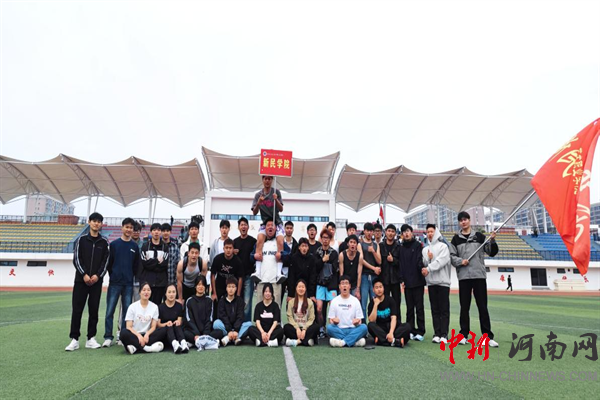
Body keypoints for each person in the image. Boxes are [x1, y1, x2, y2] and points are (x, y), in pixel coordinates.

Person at [450, 211, 499, 347]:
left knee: (482, 306)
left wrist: (492, 240)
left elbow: (492, 252)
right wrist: (461, 261)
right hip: (464, 277)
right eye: (461, 220)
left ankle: (487, 336)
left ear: (469, 220)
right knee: (464, 307)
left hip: (479, 276)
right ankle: (463, 334)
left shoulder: (480, 237)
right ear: (459, 223)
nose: (463, 222)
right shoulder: (456, 239)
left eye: (465, 219)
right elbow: (452, 257)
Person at [66, 212, 110, 351]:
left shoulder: (104, 242)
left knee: (94, 310)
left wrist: (98, 275)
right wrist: (84, 274)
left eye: (99, 221)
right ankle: (74, 339)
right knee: (77, 310)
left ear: (101, 224)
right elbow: (76, 259)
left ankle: (91, 338)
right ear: (89, 222)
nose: (96, 223)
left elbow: (105, 262)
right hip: (81, 281)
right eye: (94, 221)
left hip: (96, 282)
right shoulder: (82, 240)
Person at [102, 217, 140, 348]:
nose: (129, 230)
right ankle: (108, 337)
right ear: (122, 228)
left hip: (128, 284)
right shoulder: (114, 245)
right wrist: (114, 275)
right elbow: (109, 264)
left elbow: (136, 266)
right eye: (127, 227)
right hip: (115, 283)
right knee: (110, 311)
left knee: (126, 313)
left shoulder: (134, 246)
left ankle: (122, 336)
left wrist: (129, 276)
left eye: (131, 228)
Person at [421, 224, 451, 344]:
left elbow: (441, 262)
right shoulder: (425, 249)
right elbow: (424, 264)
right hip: (431, 283)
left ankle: (444, 334)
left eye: (431, 231)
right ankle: (437, 333)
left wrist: (429, 267)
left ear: (436, 232)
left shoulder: (443, 247)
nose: (430, 234)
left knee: (444, 310)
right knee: (435, 310)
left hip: (443, 283)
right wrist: (429, 259)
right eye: (428, 232)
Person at [250, 219, 290, 308]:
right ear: (265, 229)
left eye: (272, 225)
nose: (270, 227)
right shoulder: (259, 243)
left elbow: (289, 257)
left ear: (276, 228)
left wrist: (282, 255)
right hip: (261, 281)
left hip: (275, 282)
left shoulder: (280, 242)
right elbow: (251, 258)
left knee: (276, 308)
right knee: (260, 309)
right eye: (268, 225)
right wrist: (254, 256)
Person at [251, 176, 285, 281]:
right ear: (262, 180)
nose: (267, 181)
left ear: (272, 180)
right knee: (259, 240)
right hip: (265, 223)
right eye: (265, 179)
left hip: (276, 222)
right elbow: (254, 212)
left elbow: (281, 209)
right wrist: (259, 202)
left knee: (280, 242)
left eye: (269, 179)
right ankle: (258, 272)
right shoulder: (258, 195)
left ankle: (279, 273)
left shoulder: (276, 192)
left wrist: (276, 200)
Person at [120, 282, 166, 354]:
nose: (146, 292)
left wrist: (147, 334)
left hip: (148, 336)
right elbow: (128, 327)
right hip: (135, 335)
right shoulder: (132, 307)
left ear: (151, 292)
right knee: (123, 333)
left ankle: (135, 347)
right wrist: (138, 336)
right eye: (144, 290)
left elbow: (153, 326)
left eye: (148, 290)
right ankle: (147, 348)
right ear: (140, 292)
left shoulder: (154, 307)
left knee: (163, 330)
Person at [399, 224, 426, 341]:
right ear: (402, 234)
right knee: (409, 308)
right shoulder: (401, 247)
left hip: (418, 281)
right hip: (407, 283)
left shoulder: (418, 245)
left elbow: (420, 260)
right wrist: (401, 279)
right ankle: (410, 330)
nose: (406, 233)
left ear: (412, 232)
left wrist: (422, 269)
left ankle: (420, 331)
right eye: (404, 232)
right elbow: (401, 265)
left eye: (408, 231)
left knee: (419, 308)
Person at [183, 275, 224, 351]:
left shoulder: (209, 300)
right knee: (184, 333)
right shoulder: (189, 300)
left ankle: (197, 342)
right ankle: (206, 342)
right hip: (194, 332)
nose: (200, 287)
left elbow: (210, 318)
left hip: (206, 332)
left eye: (202, 285)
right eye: (198, 285)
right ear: (195, 286)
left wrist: (205, 333)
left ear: (205, 287)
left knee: (220, 332)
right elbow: (189, 320)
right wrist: (196, 334)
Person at [367, 278, 410, 347]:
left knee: (407, 326)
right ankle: (395, 341)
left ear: (383, 288)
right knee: (370, 325)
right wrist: (375, 305)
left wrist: (391, 332)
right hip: (381, 328)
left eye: (380, 287)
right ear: (373, 290)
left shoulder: (390, 300)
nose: (379, 289)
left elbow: (394, 318)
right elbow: (372, 320)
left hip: (392, 326)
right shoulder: (372, 303)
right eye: (376, 288)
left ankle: (382, 341)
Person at [327, 275, 368, 347]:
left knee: (364, 327)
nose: (344, 286)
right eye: (342, 283)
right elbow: (330, 320)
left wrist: (357, 322)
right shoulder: (334, 301)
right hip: (339, 329)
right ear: (339, 286)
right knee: (329, 328)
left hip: (352, 329)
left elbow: (360, 320)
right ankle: (354, 341)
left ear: (350, 286)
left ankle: (342, 342)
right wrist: (334, 321)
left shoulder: (355, 300)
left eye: (346, 283)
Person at [213, 276, 253, 346]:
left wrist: (236, 330)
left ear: (236, 288)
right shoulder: (222, 301)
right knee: (216, 323)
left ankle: (229, 338)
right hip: (226, 327)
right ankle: (234, 337)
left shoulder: (239, 301)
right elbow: (222, 316)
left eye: (233, 287)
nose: (231, 289)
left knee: (249, 324)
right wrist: (229, 331)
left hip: (237, 328)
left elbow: (240, 316)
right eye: (229, 287)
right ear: (226, 288)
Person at [315, 230, 339, 338]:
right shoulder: (317, 252)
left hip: (331, 285)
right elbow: (316, 267)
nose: (325, 240)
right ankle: (321, 328)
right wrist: (323, 260)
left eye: (327, 238)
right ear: (321, 239)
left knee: (333, 307)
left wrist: (326, 262)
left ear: (330, 239)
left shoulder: (333, 253)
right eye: (323, 237)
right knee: (319, 308)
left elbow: (334, 269)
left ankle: (333, 329)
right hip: (320, 284)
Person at [233, 217, 257, 321]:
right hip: (236, 277)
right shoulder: (234, 242)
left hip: (248, 276)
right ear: (238, 227)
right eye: (241, 225)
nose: (243, 227)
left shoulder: (253, 241)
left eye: (245, 225)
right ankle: (237, 323)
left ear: (248, 227)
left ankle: (246, 325)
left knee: (247, 302)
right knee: (237, 300)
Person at [357, 222, 381, 321]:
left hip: (374, 277)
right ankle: (363, 324)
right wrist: (373, 268)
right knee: (363, 303)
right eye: (368, 231)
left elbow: (379, 261)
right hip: (364, 276)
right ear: (364, 231)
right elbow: (361, 260)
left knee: (374, 301)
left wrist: (373, 251)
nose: (369, 233)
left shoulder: (376, 245)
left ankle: (374, 324)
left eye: (371, 231)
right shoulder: (360, 245)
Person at [140, 223, 169, 305]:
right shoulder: (145, 246)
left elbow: (164, 265)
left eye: (158, 230)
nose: (156, 232)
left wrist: (151, 262)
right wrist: (157, 261)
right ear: (151, 232)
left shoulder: (165, 247)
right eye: (154, 230)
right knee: (146, 305)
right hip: (147, 282)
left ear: (161, 232)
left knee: (157, 306)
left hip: (160, 283)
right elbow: (145, 264)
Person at [284, 280, 319, 347]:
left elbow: (311, 318)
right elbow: (290, 317)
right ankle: (307, 341)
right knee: (286, 327)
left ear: (305, 289)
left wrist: (304, 329)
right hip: (295, 328)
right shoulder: (291, 302)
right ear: (296, 288)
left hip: (306, 328)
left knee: (316, 327)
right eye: (299, 287)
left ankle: (297, 341)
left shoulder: (310, 302)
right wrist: (297, 328)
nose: (301, 289)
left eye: (303, 287)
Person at [158, 284, 189, 353]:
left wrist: (177, 322)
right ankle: (175, 345)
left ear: (176, 293)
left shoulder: (179, 306)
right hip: (166, 335)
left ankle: (183, 343)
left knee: (176, 325)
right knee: (169, 326)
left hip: (177, 332)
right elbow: (158, 324)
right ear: (165, 294)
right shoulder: (160, 307)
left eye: (173, 292)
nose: (171, 294)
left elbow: (179, 321)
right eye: (169, 292)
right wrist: (166, 324)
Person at [379, 224, 401, 319]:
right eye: (389, 231)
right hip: (384, 280)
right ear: (385, 232)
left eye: (393, 231)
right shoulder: (380, 246)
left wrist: (393, 260)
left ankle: (397, 323)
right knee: (384, 304)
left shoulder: (399, 246)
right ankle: (385, 324)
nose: (390, 233)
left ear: (395, 233)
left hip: (395, 280)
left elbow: (401, 263)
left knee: (396, 303)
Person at [282, 221, 299, 304]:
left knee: (291, 300)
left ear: (293, 229)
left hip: (291, 275)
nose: (289, 230)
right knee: (278, 298)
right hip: (281, 274)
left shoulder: (296, 244)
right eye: (287, 228)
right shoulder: (280, 241)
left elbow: (295, 260)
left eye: (290, 228)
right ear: (284, 229)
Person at [161, 223, 180, 287]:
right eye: (163, 231)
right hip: (160, 282)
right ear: (161, 232)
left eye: (167, 231)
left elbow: (178, 264)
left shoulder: (175, 247)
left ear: (170, 232)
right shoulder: (158, 246)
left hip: (172, 280)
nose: (165, 233)